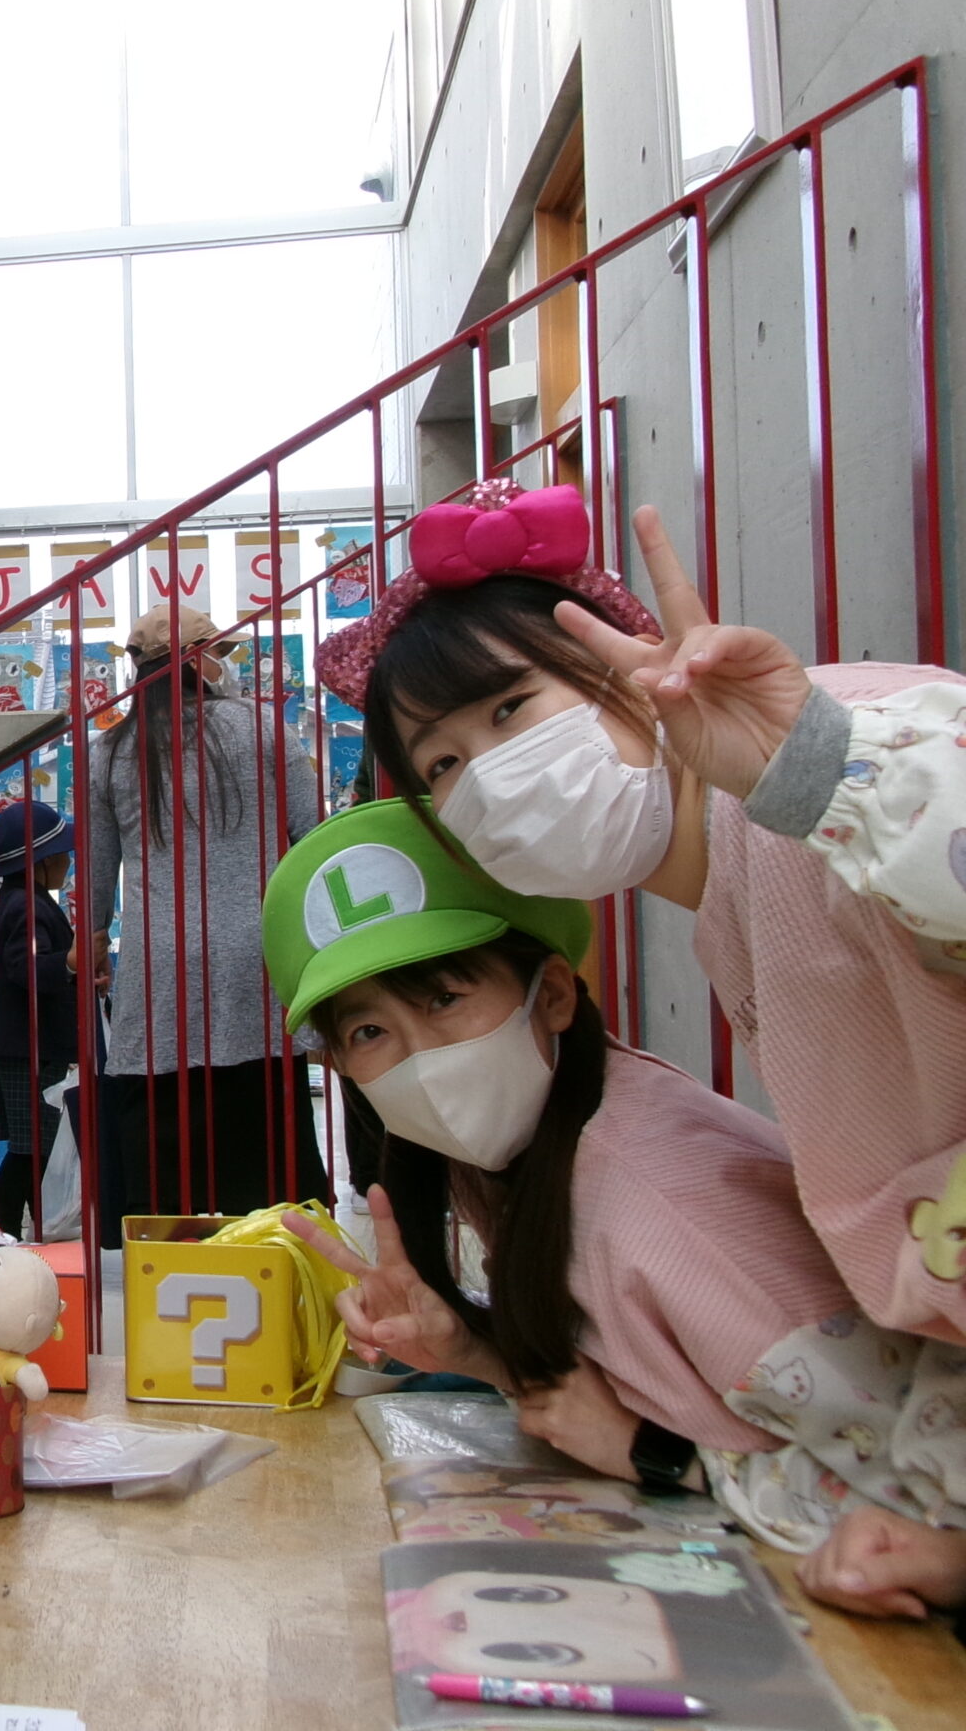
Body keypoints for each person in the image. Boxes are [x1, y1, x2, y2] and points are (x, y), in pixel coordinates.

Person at [266, 801, 966, 1623]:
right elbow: (597, 1386)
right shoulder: (532, 1145)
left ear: (553, 994)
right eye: (370, 1031)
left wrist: (656, 1455)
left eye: (446, 998)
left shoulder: (670, 1208)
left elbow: (906, 1519)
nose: (424, 1058)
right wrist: (471, 1352)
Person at [317, 480, 966, 1347]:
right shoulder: (729, 900)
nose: (492, 777)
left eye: (511, 708)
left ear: (623, 665)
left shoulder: (840, 745)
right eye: (443, 764)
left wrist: (811, 766)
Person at [88, 604, 326, 1234]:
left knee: (166, 1160)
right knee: (268, 1148)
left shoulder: (109, 752)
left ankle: (173, 1265)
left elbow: (97, 871)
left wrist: (93, 942)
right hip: (258, 957)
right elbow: (312, 839)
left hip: (158, 969)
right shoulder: (264, 728)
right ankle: (278, 1261)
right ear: (202, 660)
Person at [0, 799, 96, 1240]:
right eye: (62, 854)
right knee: (31, 1148)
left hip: (28, 1048)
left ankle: (28, 1229)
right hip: (29, 1051)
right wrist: (70, 962)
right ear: (40, 862)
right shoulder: (25, 908)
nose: (68, 862)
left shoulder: (21, 902)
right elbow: (25, 968)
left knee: (34, 1147)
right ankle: (12, 1232)